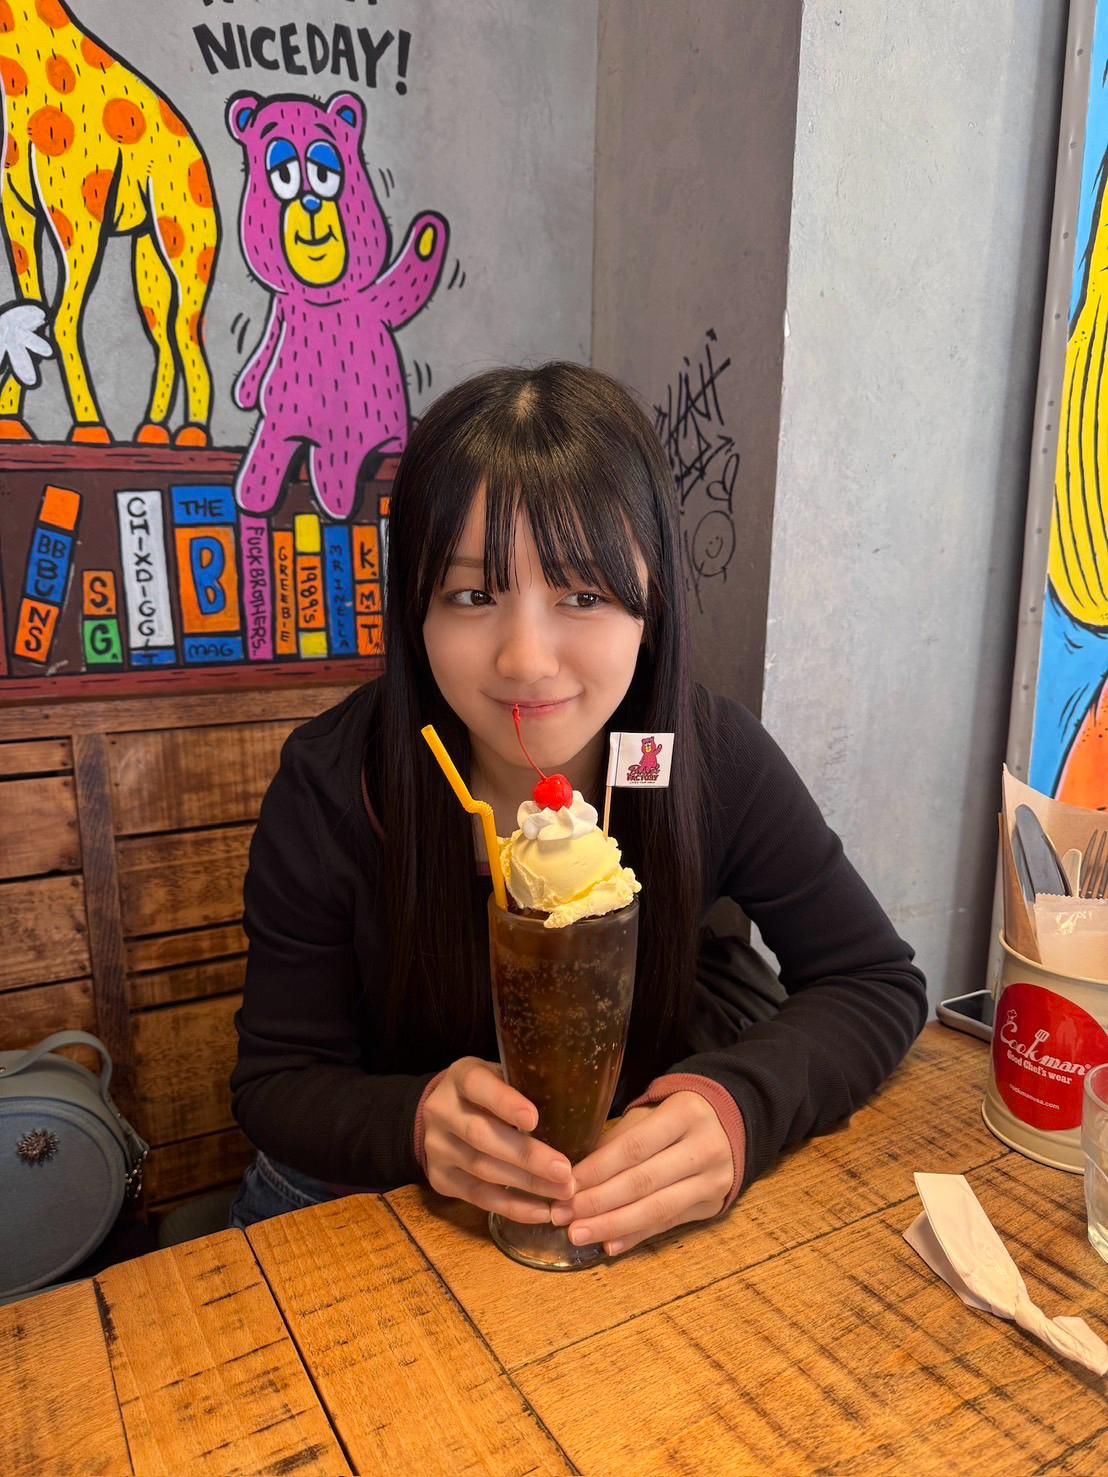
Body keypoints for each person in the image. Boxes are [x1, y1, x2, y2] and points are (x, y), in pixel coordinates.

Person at [228, 362, 927, 1253]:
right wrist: (417, 1120)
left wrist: (737, 1106)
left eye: (584, 594)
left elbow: (874, 980)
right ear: (415, 613)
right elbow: (278, 1081)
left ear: (651, 600)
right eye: (472, 594)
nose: (526, 658)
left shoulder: (711, 761)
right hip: (366, 1213)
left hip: (616, 1220)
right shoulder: (335, 785)